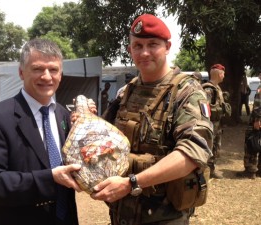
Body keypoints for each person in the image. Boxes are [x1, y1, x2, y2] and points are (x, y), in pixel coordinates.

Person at [90, 14, 213, 225]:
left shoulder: (187, 93)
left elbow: (192, 154)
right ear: (130, 50)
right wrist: (88, 121)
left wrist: (131, 183)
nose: (144, 52)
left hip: (164, 217)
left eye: (152, 44)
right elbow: (105, 139)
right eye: (137, 45)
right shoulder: (126, 92)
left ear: (167, 47)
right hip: (122, 215)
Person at [0, 38, 96, 225]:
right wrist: (50, 178)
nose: (46, 77)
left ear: (61, 74)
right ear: (21, 72)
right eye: (37, 69)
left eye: (53, 69)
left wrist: (90, 125)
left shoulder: (64, 115)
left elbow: (79, 161)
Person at [202, 64, 231, 179]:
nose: (224, 76)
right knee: (209, 147)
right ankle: (206, 170)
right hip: (211, 124)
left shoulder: (217, 88)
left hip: (217, 124)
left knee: (215, 147)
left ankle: (211, 169)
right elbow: (204, 107)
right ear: (219, 74)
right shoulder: (209, 89)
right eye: (223, 74)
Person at [237, 82, 261, 179]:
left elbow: (258, 104)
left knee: (251, 142)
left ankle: (250, 170)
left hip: (257, 120)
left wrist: (257, 119)